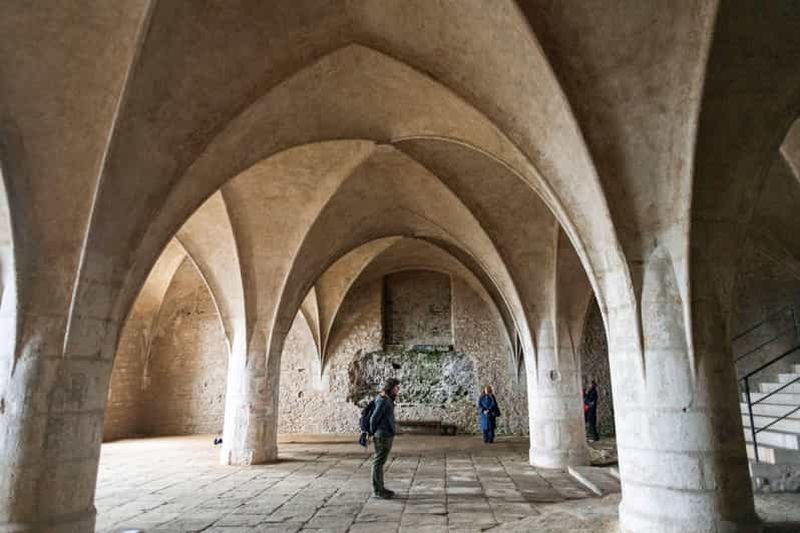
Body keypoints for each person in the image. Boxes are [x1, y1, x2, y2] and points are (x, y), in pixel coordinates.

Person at [369, 377, 400, 498]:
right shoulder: (383, 400)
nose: (398, 389)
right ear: (390, 388)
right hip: (383, 435)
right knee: (378, 462)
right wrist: (373, 432)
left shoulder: (386, 399)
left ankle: (380, 488)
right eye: (396, 387)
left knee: (380, 462)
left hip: (386, 434)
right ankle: (378, 490)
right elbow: (374, 418)